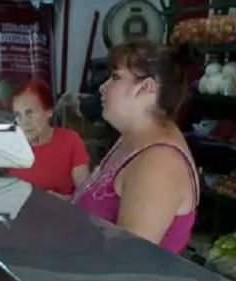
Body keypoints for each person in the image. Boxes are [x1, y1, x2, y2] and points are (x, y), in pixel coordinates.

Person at [71, 43, 200, 254]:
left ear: (147, 87)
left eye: (115, 77)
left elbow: (128, 260)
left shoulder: (159, 163)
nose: (103, 87)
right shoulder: (130, 139)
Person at [6, 79, 91, 198]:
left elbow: (85, 195)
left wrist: (66, 201)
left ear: (49, 111)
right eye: (18, 115)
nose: (24, 122)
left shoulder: (70, 140)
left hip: (60, 213)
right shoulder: (7, 146)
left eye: (30, 113)